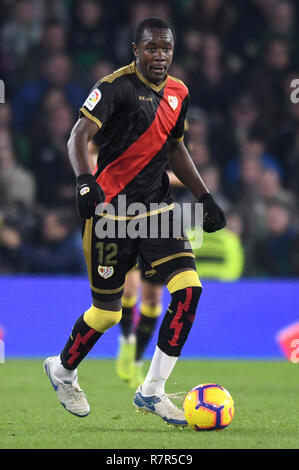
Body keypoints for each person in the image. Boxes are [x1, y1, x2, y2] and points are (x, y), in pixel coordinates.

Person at [43, 17, 226, 426]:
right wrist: (85, 181)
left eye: (166, 48)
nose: (159, 56)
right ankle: (62, 371)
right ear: (135, 50)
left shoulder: (179, 92)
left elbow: (176, 149)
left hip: (158, 212)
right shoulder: (114, 87)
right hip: (111, 214)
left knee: (189, 291)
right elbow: (77, 135)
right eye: (151, 48)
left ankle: (152, 391)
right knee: (107, 314)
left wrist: (204, 196)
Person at [116, 269, 163, 389]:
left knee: (152, 302)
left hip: (156, 250)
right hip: (132, 250)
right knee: (127, 292)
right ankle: (127, 339)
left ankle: (137, 360)